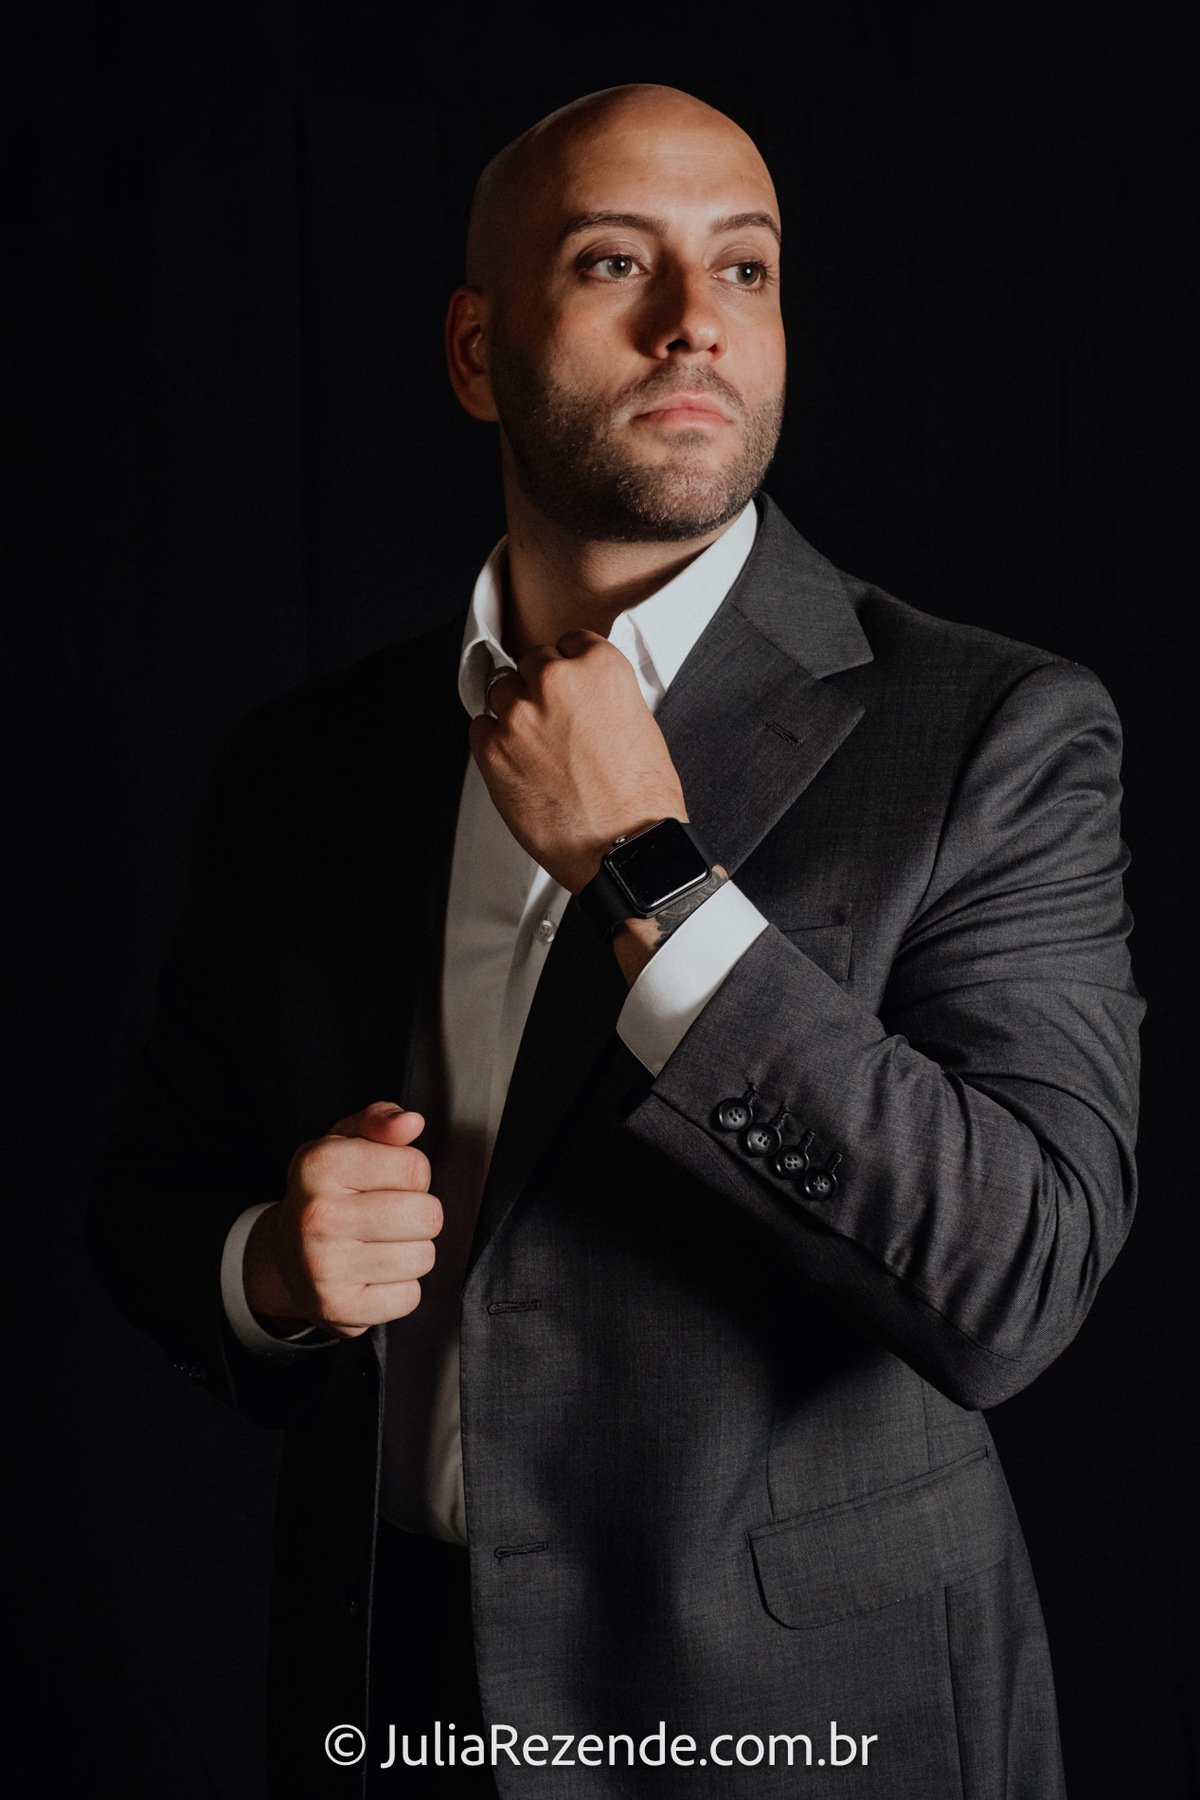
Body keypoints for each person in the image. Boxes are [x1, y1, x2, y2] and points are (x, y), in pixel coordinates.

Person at [89, 84, 1143, 1798]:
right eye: (611, 261)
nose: (693, 320)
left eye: (746, 267)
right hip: (393, 1705)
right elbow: (148, 1198)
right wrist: (270, 1270)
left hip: (800, 1726)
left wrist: (649, 870)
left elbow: (1018, 1277)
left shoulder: (991, 731)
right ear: (475, 350)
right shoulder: (305, 764)